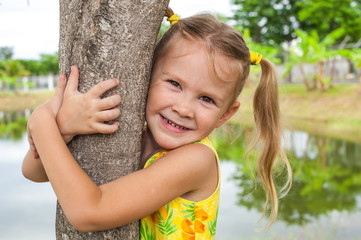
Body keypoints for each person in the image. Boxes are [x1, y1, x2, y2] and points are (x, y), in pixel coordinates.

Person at [22, 8, 291, 239]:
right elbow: (33, 171)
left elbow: (88, 212)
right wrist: (65, 129)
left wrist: (43, 120)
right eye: (174, 84)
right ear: (145, 77)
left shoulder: (197, 160)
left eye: (207, 99)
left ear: (225, 114)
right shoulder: (135, 135)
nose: (183, 108)